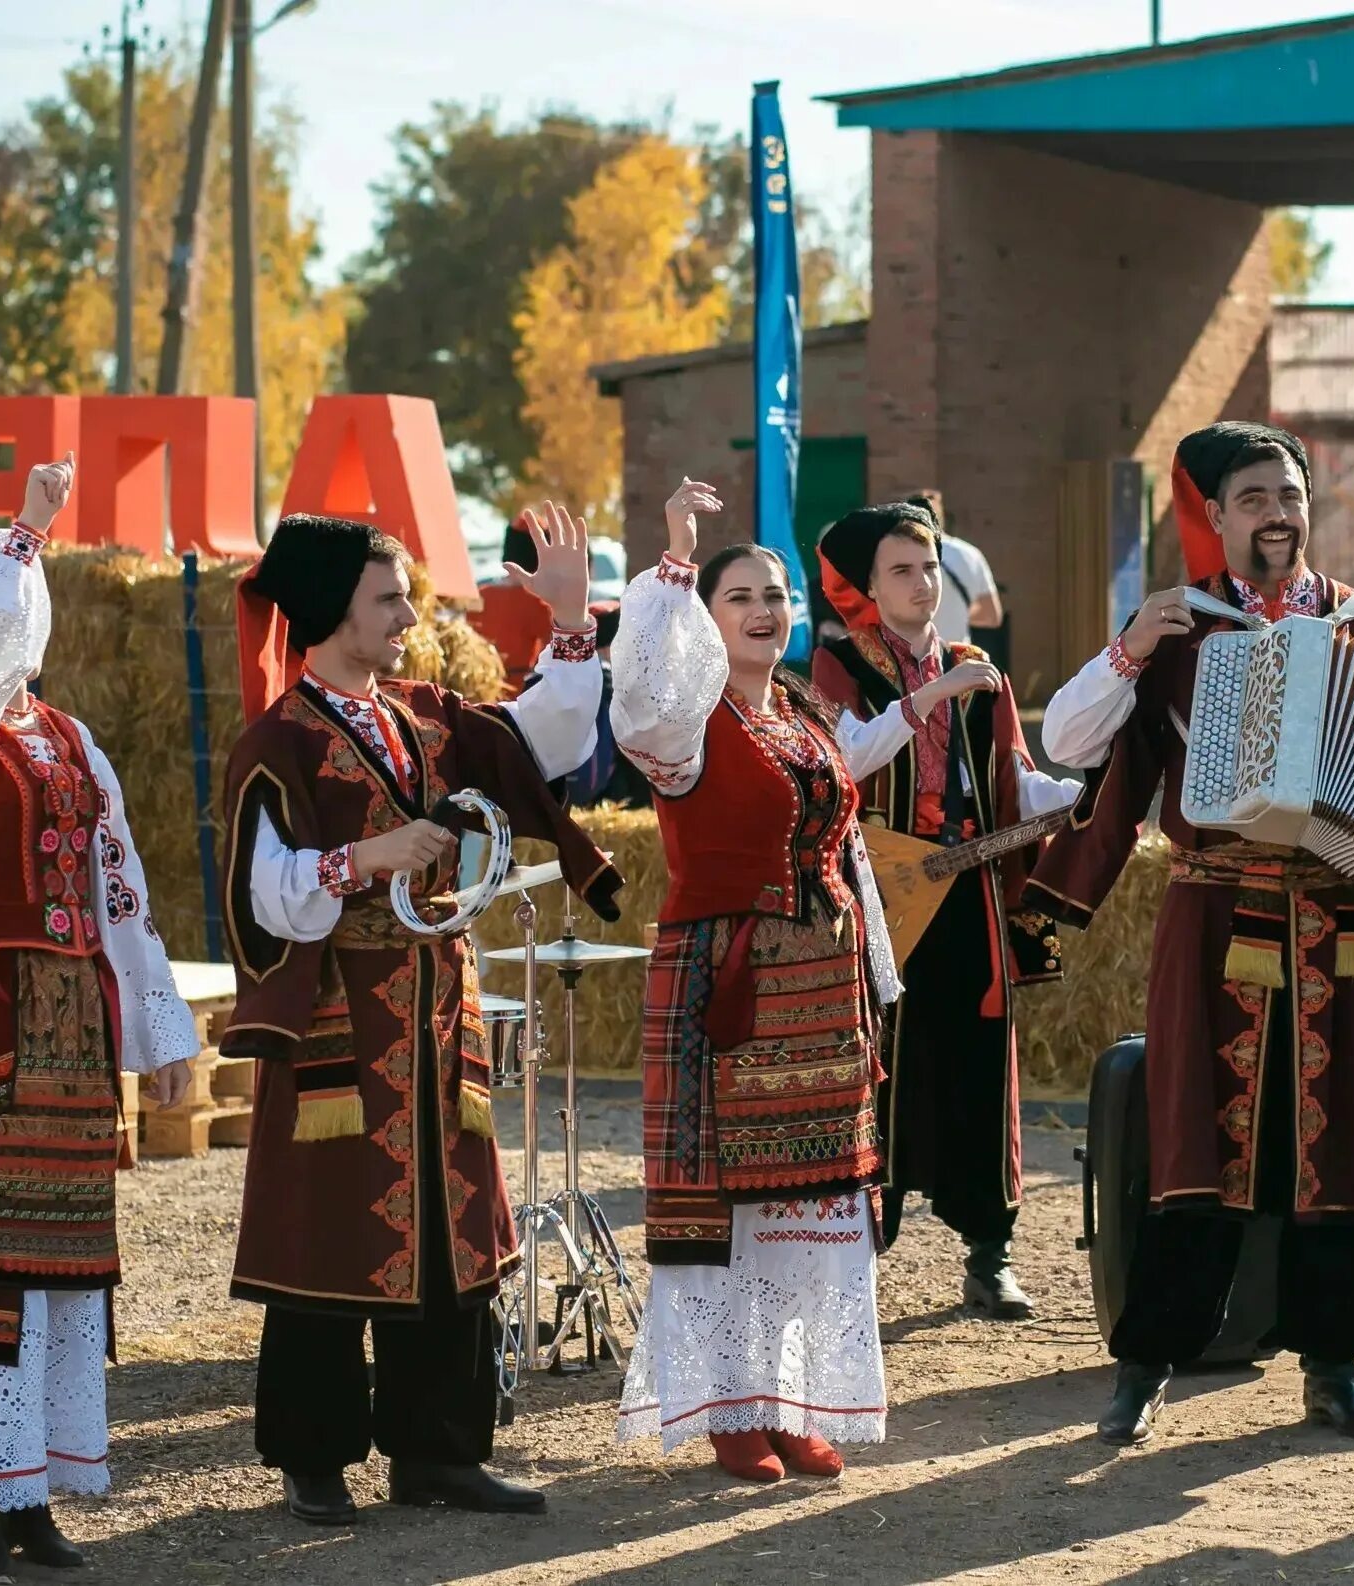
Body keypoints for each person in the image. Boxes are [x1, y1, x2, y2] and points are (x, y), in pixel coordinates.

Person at [1033, 421, 1354, 1446]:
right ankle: (1144, 1364)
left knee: (1332, 1148)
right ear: (1213, 514)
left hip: (1341, 918)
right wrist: (1128, 648)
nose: (1276, 513)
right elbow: (1070, 744)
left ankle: (1332, 1368)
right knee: (1199, 1146)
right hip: (1217, 912)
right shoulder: (1178, 629)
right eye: (1251, 498)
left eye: (1288, 494)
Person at [219, 504, 623, 1525]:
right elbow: (260, 889)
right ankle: (313, 1455)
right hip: (341, 1019)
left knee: (451, 1233)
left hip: (438, 1009)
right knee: (326, 1232)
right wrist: (364, 858)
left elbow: (542, 748)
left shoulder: (428, 716)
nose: (407, 613)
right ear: (325, 610)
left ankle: (439, 1448)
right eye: (386, 596)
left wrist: (572, 626)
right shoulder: (278, 741)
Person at [0, 456, 199, 1576]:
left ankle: (32, 1493)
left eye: (26, 585)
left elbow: (121, 890)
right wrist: (20, 534)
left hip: (73, 1016)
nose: (17, 610)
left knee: (59, 1261)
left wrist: (160, 1032)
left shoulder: (73, 740)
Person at [607, 478, 901, 1483]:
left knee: (803, 1204)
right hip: (726, 987)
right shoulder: (689, 726)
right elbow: (640, 699)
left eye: (777, 594)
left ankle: (787, 1399)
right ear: (705, 616)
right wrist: (676, 560)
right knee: (728, 1206)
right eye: (743, 596)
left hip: (817, 994)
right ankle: (731, 1407)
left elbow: (848, 845)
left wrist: (874, 972)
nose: (768, 610)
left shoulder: (806, 709)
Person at [808, 501, 1080, 1319]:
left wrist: (1075, 798)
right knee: (882, 1062)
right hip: (883, 894)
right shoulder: (835, 666)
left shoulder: (971, 665)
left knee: (978, 1058)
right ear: (865, 586)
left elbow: (1013, 779)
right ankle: (859, 1253)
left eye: (929, 567)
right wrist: (931, 698)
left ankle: (988, 1252)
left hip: (968, 889)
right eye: (901, 570)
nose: (922, 583)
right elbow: (844, 757)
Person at [909, 489, 1004, 650]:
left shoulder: (900, 555)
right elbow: (991, 616)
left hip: (914, 661)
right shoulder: (970, 554)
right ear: (941, 516)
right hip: (957, 659)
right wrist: (956, 614)